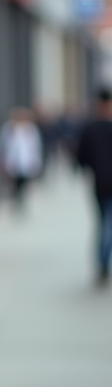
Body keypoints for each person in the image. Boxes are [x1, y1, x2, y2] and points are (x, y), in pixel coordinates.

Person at [75, 90, 112, 285]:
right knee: (108, 223)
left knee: (103, 222)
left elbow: (81, 157)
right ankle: (103, 261)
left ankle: (101, 262)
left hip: (99, 182)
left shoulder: (90, 129)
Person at [0, 108, 43, 210]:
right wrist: (1, 160)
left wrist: (36, 162)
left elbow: (35, 146)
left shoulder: (30, 129)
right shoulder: (8, 128)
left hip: (25, 162)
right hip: (12, 162)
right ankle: (16, 201)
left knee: (23, 183)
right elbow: (2, 146)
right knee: (14, 184)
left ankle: (21, 201)